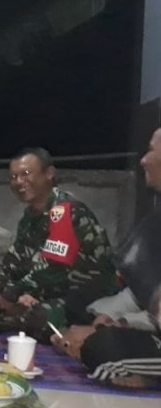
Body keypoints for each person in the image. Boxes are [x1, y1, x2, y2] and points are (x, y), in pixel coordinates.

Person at [0, 147, 117, 341]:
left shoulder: (65, 210)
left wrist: (8, 298)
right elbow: (13, 263)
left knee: (36, 319)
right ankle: (4, 313)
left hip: (83, 294)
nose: (18, 182)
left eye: (26, 174)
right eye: (13, 177)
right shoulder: (30, 218)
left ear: (49, 174)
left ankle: (9, 315)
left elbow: (52, 269)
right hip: (46, 290)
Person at [50, 128, 161, 388]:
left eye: (151, 151)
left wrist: (112, 327)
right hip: (150, 320)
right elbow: (141, 291)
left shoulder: (69, 211)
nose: (143, 160)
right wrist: (101, 317)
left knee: (102, 346)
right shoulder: (155, 220)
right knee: (79, 312)